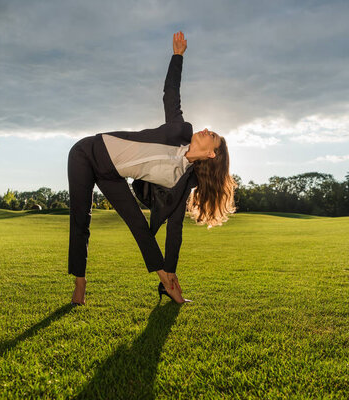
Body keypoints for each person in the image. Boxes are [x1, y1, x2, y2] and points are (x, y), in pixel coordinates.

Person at [67, 31, 237, 305]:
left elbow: (175, 231)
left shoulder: (183, 183)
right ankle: (80, 283)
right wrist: (178, 56)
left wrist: (171, 268)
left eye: (211, 134)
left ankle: (167, 282)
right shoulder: (177, 131)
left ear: (211, 153)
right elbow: (171, 95)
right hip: (87, 152)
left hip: (113, 174)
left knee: (138, 226)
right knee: (80, 219)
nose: (205, 130)